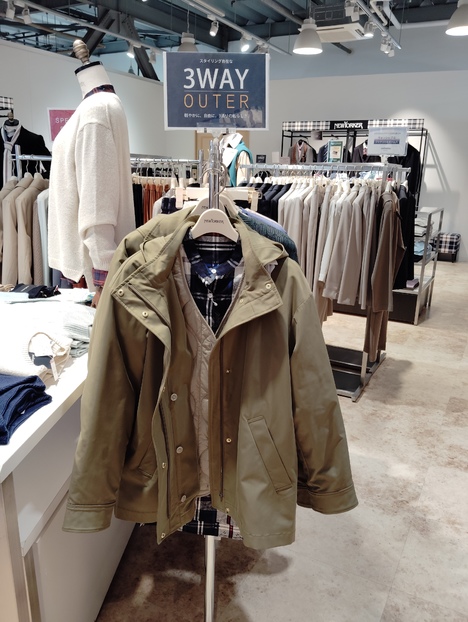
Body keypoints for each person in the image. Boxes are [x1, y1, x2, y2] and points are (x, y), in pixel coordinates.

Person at [48, 41, 135, 307]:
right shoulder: (105, 106)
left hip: (88, 273)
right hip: (85, 268)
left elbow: (97, 203)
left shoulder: (96, 111)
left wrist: (103, 281)